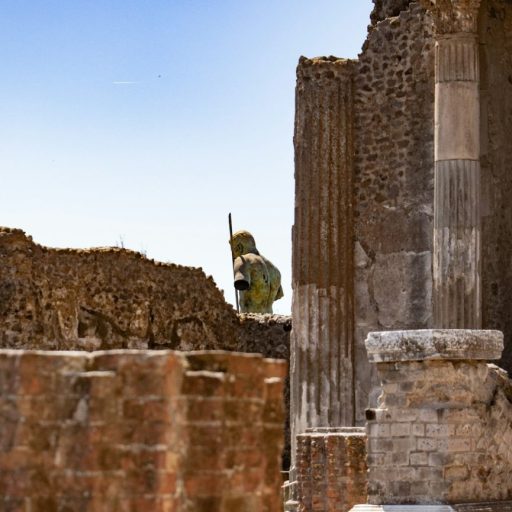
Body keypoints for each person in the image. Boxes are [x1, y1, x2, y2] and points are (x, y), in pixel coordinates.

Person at [230, 230, 283, 314]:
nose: (233, 255)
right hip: (269, 320)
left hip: (250, 322)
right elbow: (279, 295)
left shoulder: (243, 260)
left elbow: (240, 283)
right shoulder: (274, 270)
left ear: (239, 247)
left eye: (233, 251)